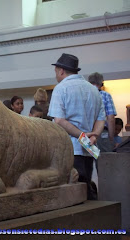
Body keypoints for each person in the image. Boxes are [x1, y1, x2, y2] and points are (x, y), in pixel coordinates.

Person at [48, 53, 105, 200]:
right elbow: (101, 119)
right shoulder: (93, 89)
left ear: (61, 70)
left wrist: (81, 135)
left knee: (74, 190)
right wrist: (94, 135)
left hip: (70, 147)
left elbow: (59, 120)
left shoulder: (61, 88)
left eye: (56, 72)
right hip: (89, 146)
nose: (56, 76)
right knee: (86, 184)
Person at [88, 72, 117, 152]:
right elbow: (110, 118)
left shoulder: (84, 95)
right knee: (105, 160)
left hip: (87, 133)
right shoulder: (105, 95)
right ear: (102, 83)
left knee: (89, 159)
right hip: (102, 132)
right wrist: (111, 137)